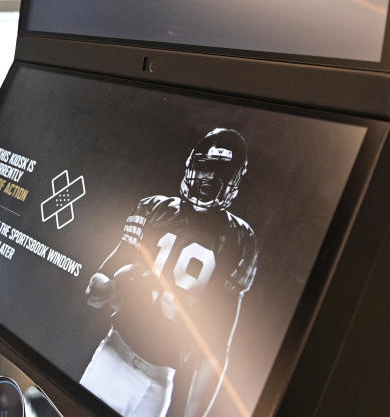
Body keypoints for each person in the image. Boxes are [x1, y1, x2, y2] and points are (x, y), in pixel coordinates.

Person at [81, 128, 259, 417]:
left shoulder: (241, 241)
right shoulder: (155, 209)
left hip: (162, 381)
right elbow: (94, 288)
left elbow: (215, 351)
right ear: (192, 164)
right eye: (205, 168)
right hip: (115, 358)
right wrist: (115, 285)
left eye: (221, 172)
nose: (209, 179)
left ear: (235, 179)